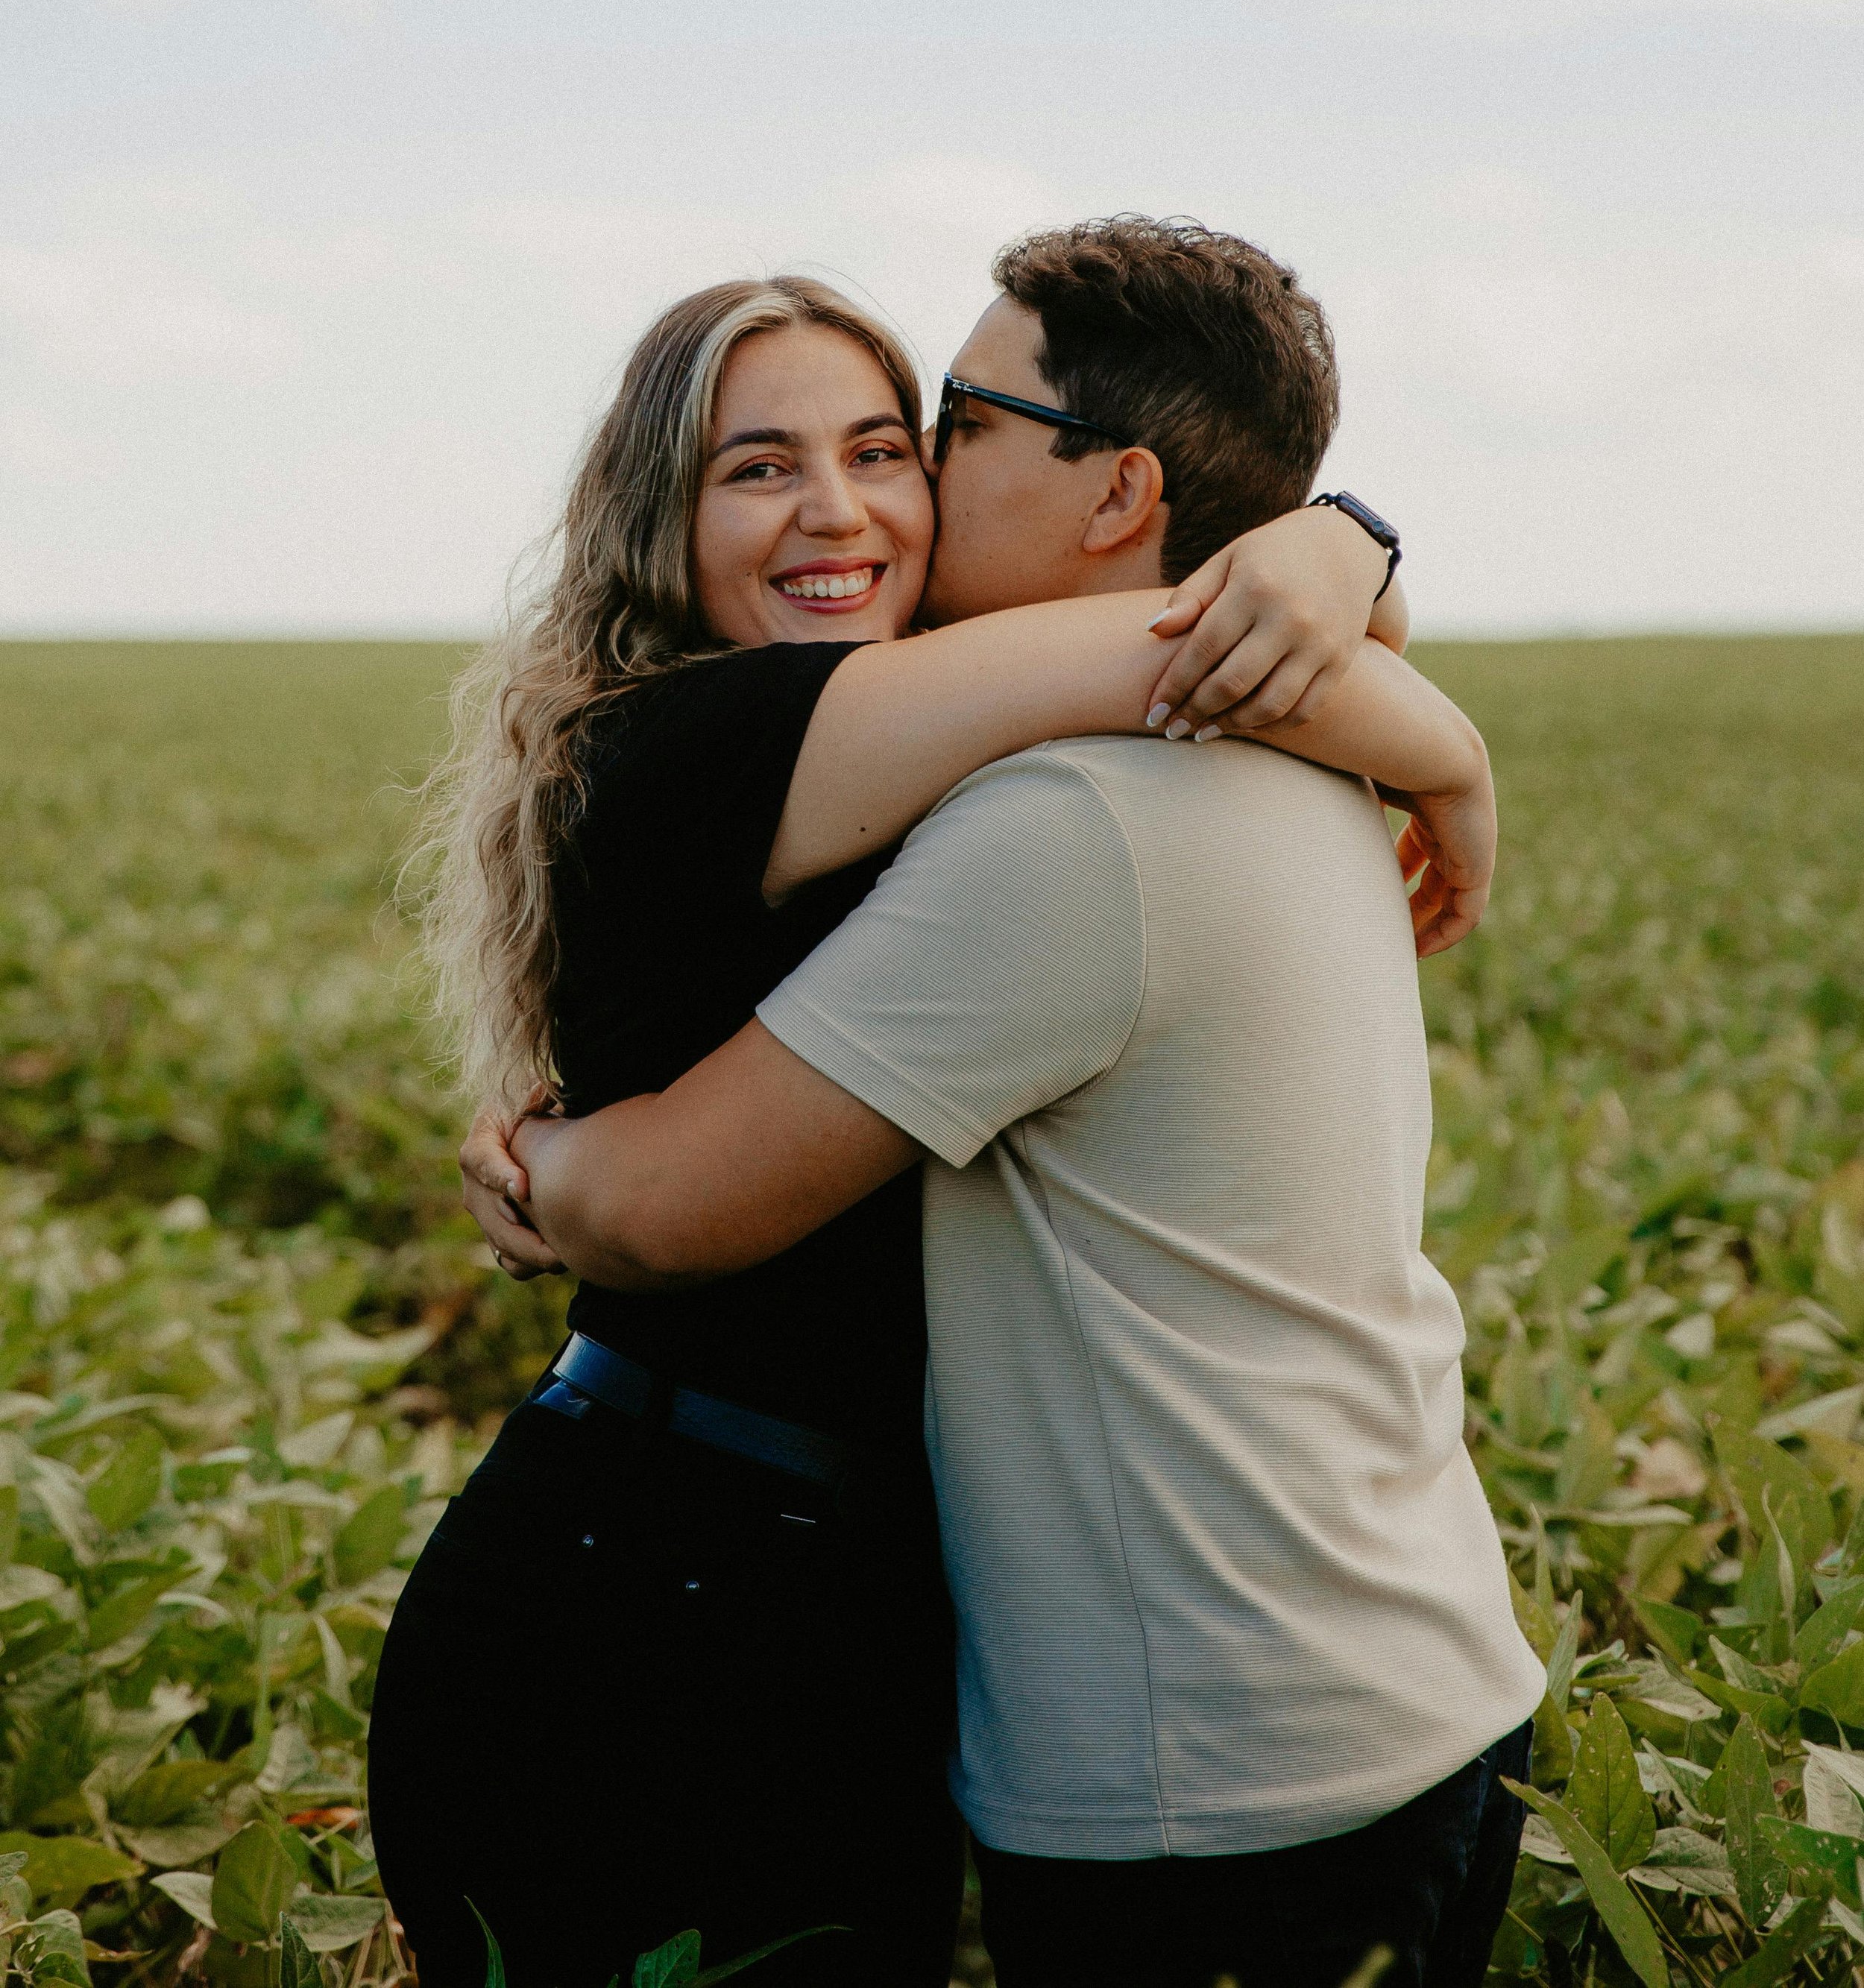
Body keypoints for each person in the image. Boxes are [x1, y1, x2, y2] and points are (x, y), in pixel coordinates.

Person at [467, 220, 1543, 1988]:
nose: (882, 493)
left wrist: (543, 1169)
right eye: (767, 465)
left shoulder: (1067, 822)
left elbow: (664, 1205)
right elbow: (1182, 648)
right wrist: (1375, 613)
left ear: (1120, 497)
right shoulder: (1298, 766)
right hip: (1413, 1678)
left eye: (938, 426)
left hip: (1214, 1771)